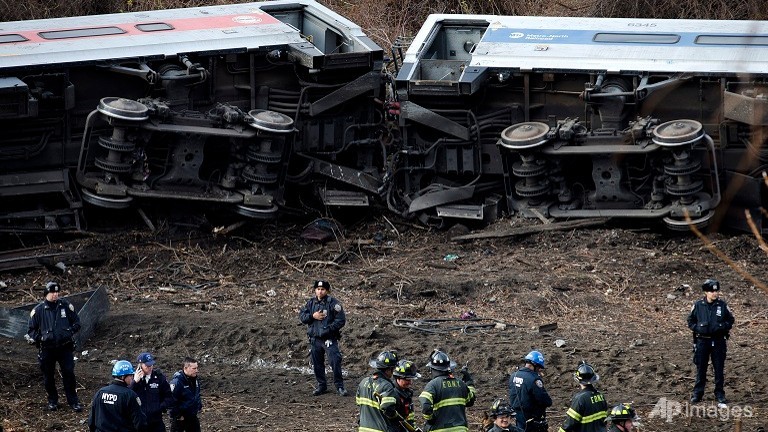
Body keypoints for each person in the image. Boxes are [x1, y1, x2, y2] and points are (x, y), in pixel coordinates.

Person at [26, 281, 83, 412]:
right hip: (47, 349)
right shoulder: (39, 310)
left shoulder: (66, 306)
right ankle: (53, 401)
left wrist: (68, 332)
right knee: (48, 376)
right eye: (52, 292)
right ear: (46, 293)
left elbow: (77, 322)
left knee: (69, 373)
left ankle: (73, 401)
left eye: (57, 292)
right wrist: (41, 338)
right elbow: (31, 330)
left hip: (65, 347)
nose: (55, 295)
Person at [687, 278, 734, 404]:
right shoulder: (698, 305)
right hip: (702, 341)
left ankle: (719, 394)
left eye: (716, 291)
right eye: (711, 291)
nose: (715, 293)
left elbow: (730, 320)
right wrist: (699, 328)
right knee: (701, 368)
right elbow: (690, 321)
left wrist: (721, 327)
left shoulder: (722, 305)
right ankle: (698, 394)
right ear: (706, 292)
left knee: (719, 368)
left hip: (718, 341)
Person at [298, 279, 348, 396]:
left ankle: (339, 386)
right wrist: (312, 316)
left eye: (323, 289)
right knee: (317, 363)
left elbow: (341, 320)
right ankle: (321, 385)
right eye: (318, 289)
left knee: (335, 361)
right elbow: (302, 317)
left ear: (327, 291)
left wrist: (329, 329)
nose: (320, 292)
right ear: (315, 290)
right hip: (315, 339)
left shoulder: (333, 303)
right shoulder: (310, 303)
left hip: (329, 339)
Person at [418, 350, 476, 432]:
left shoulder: (432, 385)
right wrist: (469, 382)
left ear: (432, 369)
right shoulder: (461, 384)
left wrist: (430, 419)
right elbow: (471, 401)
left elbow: (425, 404)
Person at [88, 360, 147, 432]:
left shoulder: (100, 393)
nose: (132, 377)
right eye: (130, 375)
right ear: (123, 377)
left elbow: (92, 420)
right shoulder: (130, 395)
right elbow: (139, 422)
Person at [508, 350, 552, 432]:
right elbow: (545, 400)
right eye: (538, 367)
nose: (539, 370)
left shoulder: (513, 376)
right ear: (534, 365)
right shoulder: (534, 379)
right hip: (532, 420)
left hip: (518, 417)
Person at [558, 361, 608, 432]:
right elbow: (605, 420)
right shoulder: (601, 396)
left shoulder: (580, 399)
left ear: (578, 379)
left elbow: (569, 424)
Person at [356, 351, 399, 432]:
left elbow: (359, 403)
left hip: (363, 429)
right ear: (388, 370)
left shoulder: (363, 382)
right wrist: (396, 416)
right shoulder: (387, 386)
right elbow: (388, 408)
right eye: (392, 369)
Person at [132, 352, 173, 432]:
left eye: (151, 365)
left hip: (156, 422)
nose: (150, 367)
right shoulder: (132, 379)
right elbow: (126, 395)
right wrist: (135, 382)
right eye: (147, 366)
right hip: (139, 422)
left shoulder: (159, 378)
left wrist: (159, 407)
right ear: (140, 365)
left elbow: (169, 397)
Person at [169, 357, 202, 432]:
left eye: (197, 368)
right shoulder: (177, 382)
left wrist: (198, 406)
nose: (197, 371)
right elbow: (171, 400)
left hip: (192, 416)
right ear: (185, 368)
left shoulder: (195, 380)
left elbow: (197, 394)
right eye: (194, 368)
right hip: (180, 419)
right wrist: (178, 415)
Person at [393, 359, 421, 432]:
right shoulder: (391, 394)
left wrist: (413, 428)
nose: (410, 383)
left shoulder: (407, 393)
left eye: (411, 379)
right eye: (407, 380)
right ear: (398, 378)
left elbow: (410, 417)